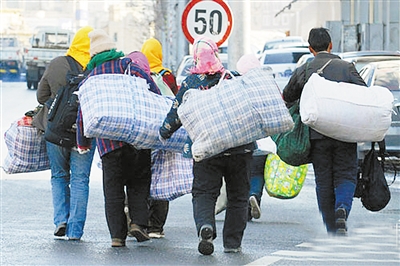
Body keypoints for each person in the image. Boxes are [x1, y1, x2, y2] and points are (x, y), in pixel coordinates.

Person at [159, 37, 256, 255]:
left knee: (204, 192)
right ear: (217, 55)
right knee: (238, 195)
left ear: (195, 58)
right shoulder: (233, 78)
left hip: (206, 148)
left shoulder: (191, 84)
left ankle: (206, 226)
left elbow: (176, 115)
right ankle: (232, 243)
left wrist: (164, 132)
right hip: (240, 148)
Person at [76, 29, 161, 247]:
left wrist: (83, 142)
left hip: (109, 143)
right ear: (112, 49)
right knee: (139, 182)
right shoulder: (129, 67)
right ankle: (139, 224)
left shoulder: (91, 77)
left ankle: (117, 237)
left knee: (112, 190)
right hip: (136, 137)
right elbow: (152, 90)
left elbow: (84, 111)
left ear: (92, 54)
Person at [282, 27, 367, 235]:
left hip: (316, 135)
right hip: (345, 133)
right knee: (346, 175)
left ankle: (331, 227)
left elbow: (287, 95)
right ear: (331, 45)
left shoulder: (305, 69)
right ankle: (342, 210)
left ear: (310, 48)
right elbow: (364, 94)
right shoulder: (347, 68)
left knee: (323, 180)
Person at [36, 26, 96, 240]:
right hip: (85, 132)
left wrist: (58, 104)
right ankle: (75, 231)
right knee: (80, 179)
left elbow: (41, 96)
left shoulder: (57, 64)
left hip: (56, 131)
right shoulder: (97, 66)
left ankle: (61, 220)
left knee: (59, 176)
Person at [141, 38, 179, 239]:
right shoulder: (167, 77)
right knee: (161, 175)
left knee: (142, 175)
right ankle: (156, 226)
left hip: (143, 132)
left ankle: (139, 220)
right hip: (163, 132)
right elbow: (176, 99)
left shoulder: (138, 72)